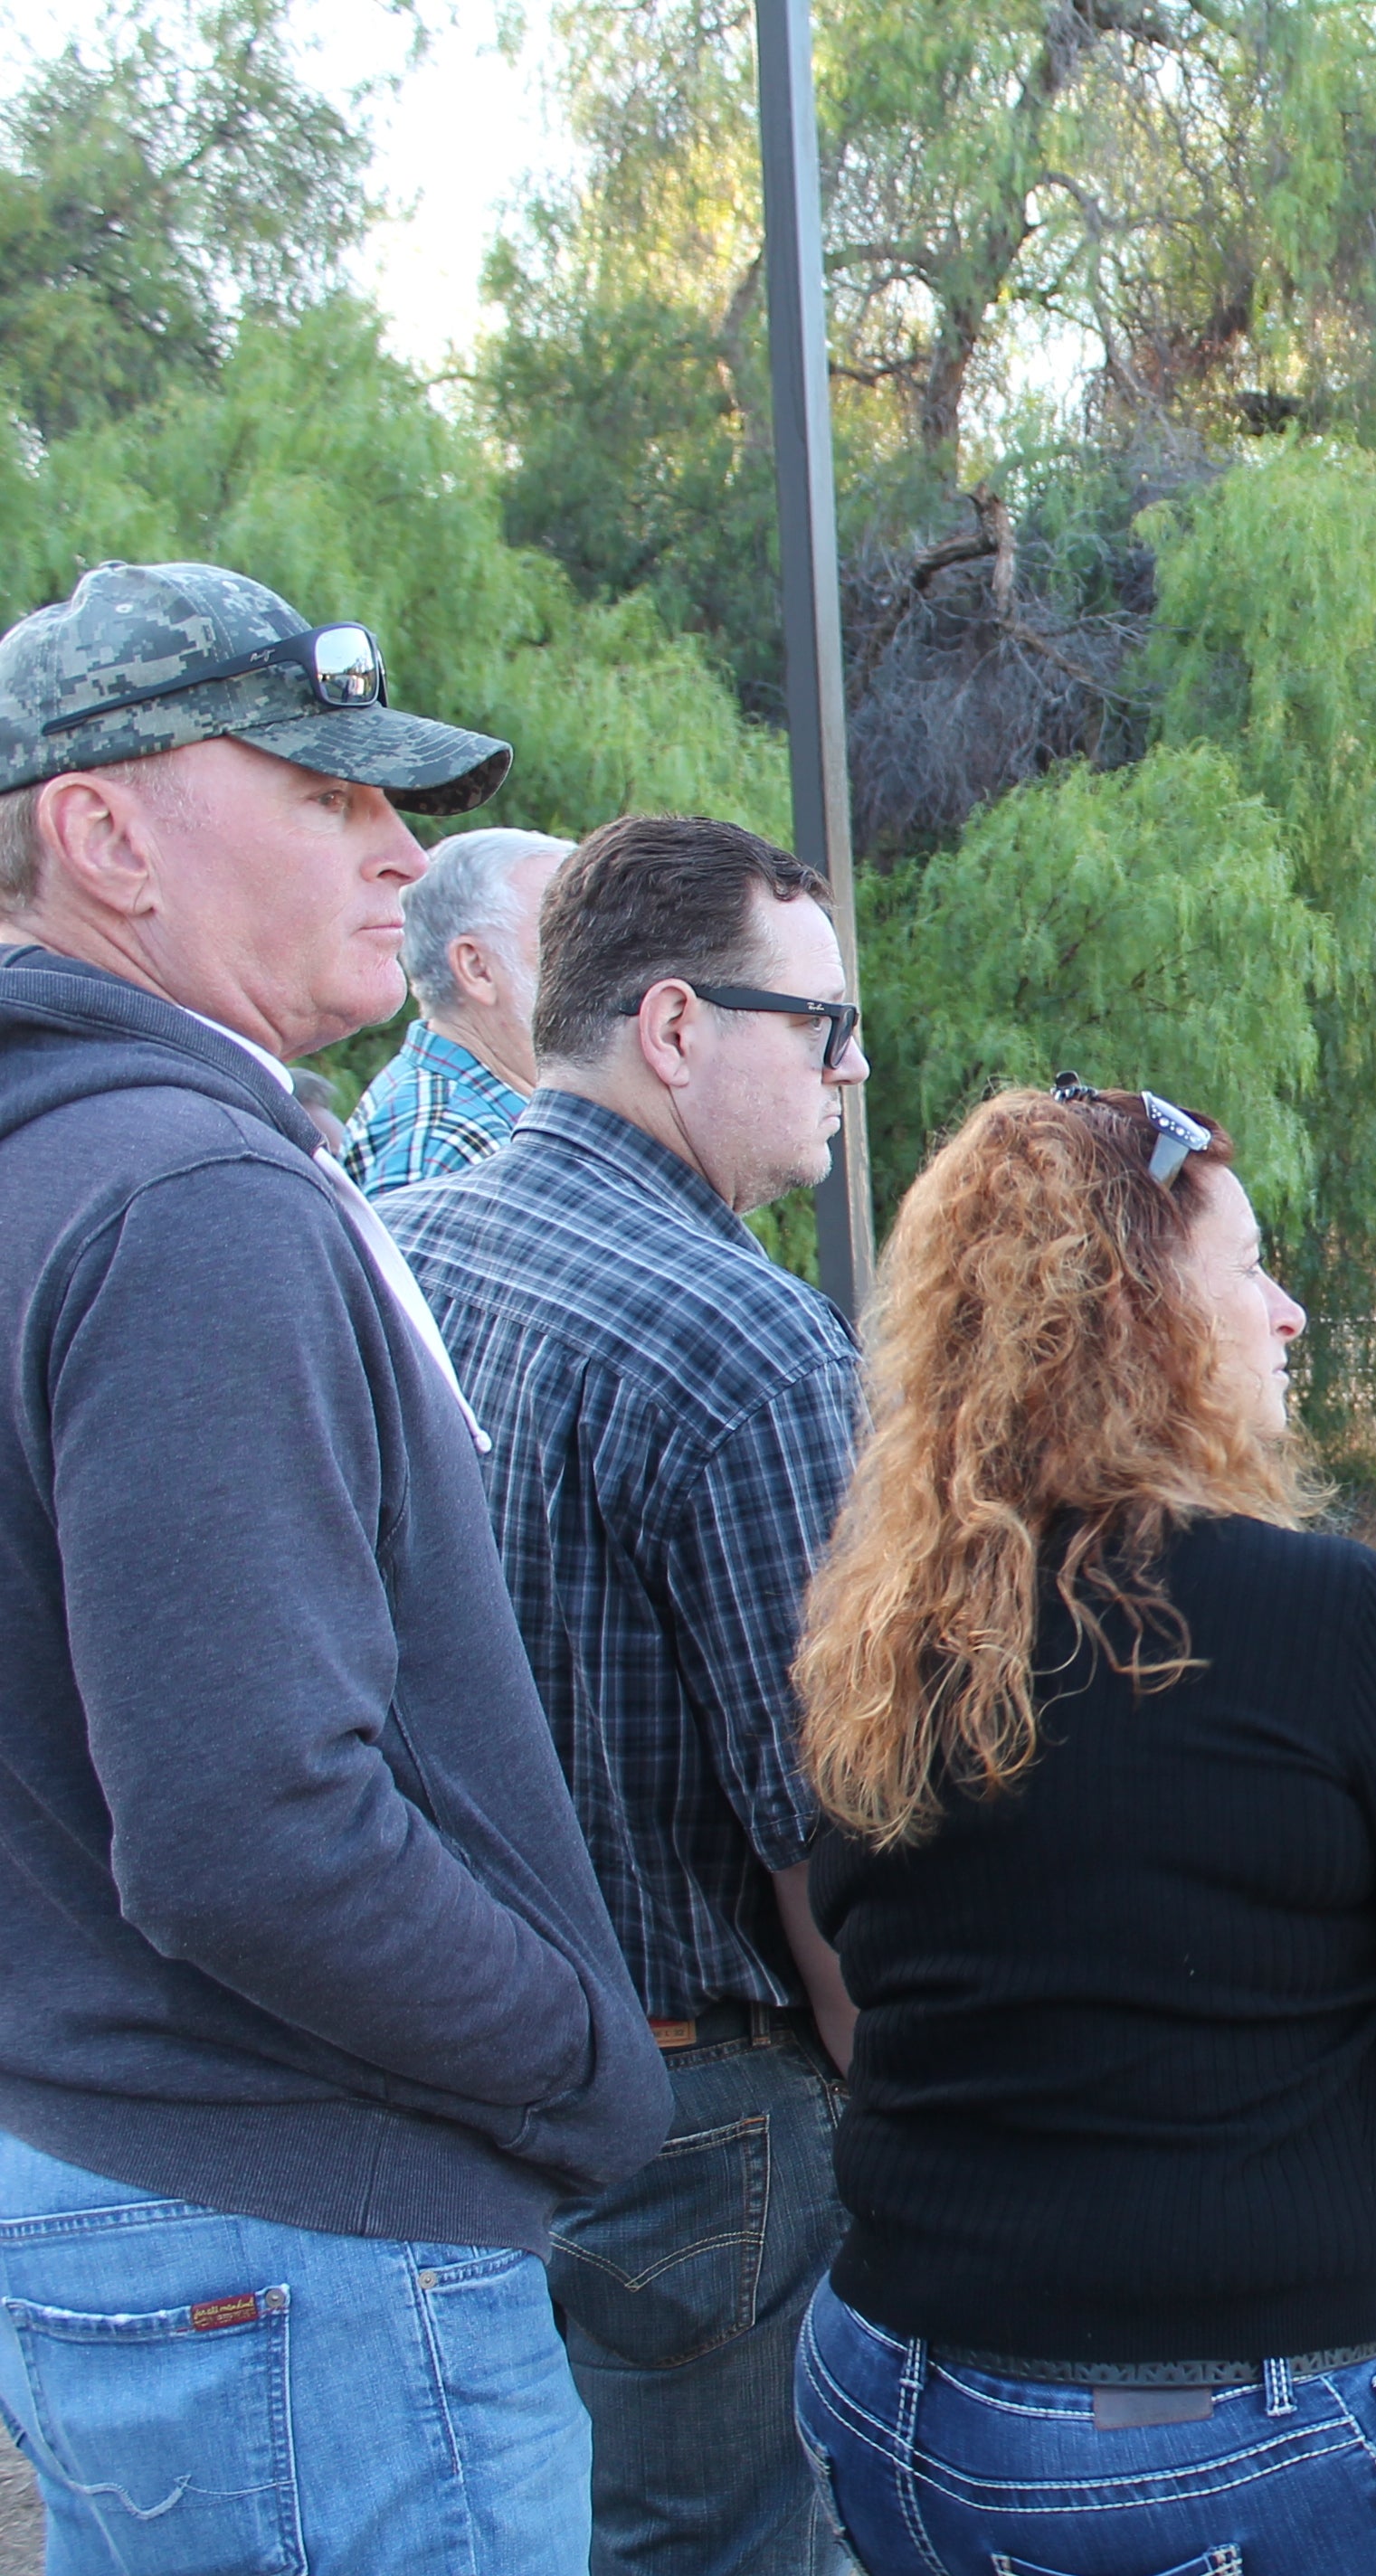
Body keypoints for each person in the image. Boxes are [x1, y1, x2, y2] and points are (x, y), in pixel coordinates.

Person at [0, 559, 668, 2569]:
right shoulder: (190, 1200)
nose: (400, 848)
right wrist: (584, 2067)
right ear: (100, 830)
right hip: (307, 2245)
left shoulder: (74, 1161)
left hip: (149, 2179)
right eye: (320, 793)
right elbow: (246, 1828)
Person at [789, 1080, 1376, 2576]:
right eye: (1248, 1267)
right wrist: (1265, 2088)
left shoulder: (893, 1621)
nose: (1284, 1313)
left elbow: (878, 1938)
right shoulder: (1325, 1617)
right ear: (1136, 1317)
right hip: (1190, 2439)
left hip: (887, 2383)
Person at [388, 813, 872, 2576]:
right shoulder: (752, 1352)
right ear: (675, 1027)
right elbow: (836, 1832)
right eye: (818, 1019)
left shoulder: (396, 1249)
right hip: (699, 2121)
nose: (854, 1060)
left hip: (441, 2075)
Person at [344, 824, 574, 1191]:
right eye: (568, 944)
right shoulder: (454, 1143)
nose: (604, 970)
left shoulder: (472, 1112)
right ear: (477, 968)